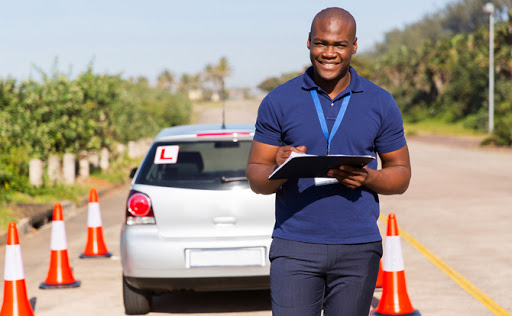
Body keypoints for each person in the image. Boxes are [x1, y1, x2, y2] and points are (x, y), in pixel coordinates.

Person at [245, 7, 412, 316]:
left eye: (339, 45)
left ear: (354, 46)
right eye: (321, 43)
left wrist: (367, 178)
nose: (329, 53)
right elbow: (256, 177)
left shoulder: (380, 102)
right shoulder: (279, 101)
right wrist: (280, 167)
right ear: (309, 42)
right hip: (295, 246)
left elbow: (401, 175)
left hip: (358, 248)